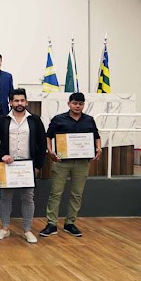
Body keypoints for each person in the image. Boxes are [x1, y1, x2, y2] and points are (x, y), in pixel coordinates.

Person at [40, 92, 102, 238]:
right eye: (75, 103)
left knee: (77, 193)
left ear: (83, 105)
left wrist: (99, 148)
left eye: (80, 104)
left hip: (82, 163)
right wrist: (50, 151)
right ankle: (51, 223)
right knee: (56, 193)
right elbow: (48, 136)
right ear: (69, 104)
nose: (77, 106)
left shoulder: (89, 120)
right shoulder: (58, 119)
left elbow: (96, 136)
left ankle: (70, 223)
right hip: (61, 162)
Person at [0, 88, 46, 243]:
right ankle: (5, 228)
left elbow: (42, 144)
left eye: (22, 100)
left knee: (28, 198)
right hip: (8, 166)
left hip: (28, 167)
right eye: (16, 100)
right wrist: (2, 155)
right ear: (10, 102)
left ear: (26, 102)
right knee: (5, 197)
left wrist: (38, 166)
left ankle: (27, 230)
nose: (19, 103)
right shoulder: (2, 120)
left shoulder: (35, 120)